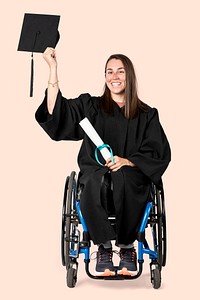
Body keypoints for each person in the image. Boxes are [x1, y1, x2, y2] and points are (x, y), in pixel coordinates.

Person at [35, 49, 171, 276]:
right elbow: (57, 112)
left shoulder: (147, 114)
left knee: (125, 178)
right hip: (96, 174)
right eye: (109, 72)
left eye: (120, 71)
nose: (114, 77)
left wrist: (127, 161)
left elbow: (158, 152)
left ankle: (127, 248)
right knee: (94, 181)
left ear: (130, 76)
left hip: (132, 176)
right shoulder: (91, 107)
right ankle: (104, 248)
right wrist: (52, 69)